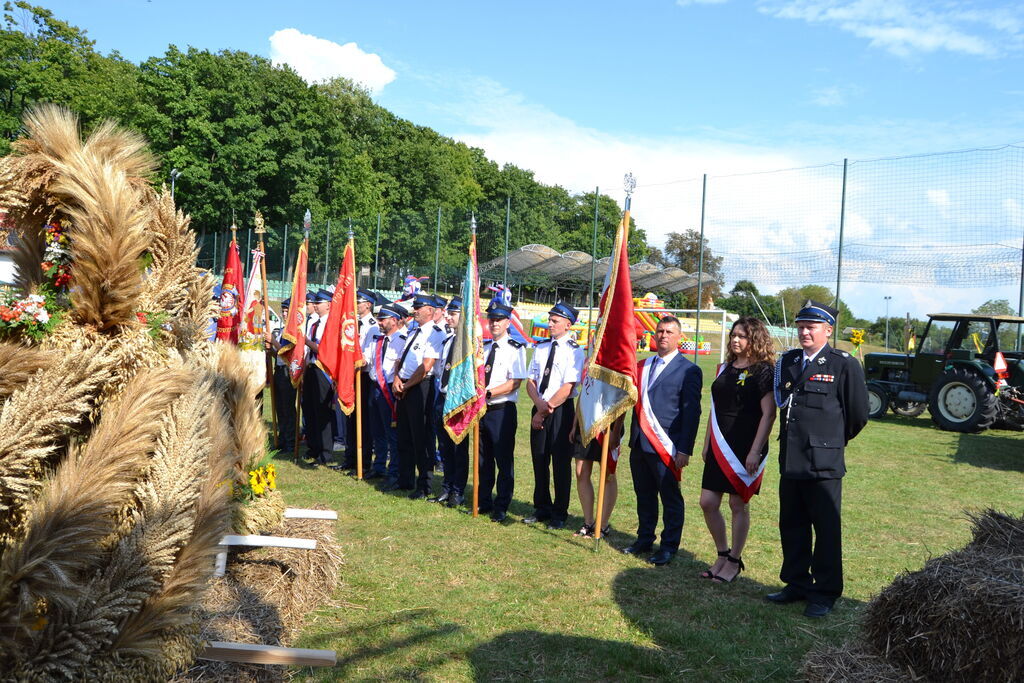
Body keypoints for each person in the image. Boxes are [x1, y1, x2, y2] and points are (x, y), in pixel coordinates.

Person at [766, 300, 868, 618]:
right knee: (792, 525)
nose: (804, 332)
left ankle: (824, 593)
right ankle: (796, 583)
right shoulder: (790, 361)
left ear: (828, 329)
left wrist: (832, 444)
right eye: (801, 327)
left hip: (823, 463)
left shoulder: (843, 364)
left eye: (811, 327)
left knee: (825, 530)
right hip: (792, 459)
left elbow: (858, 415)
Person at [698, 317, 776, 583]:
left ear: (754, 338)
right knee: (707, 502)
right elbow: (714, 408)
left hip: (746, 445)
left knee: (737, 503)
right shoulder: (724, 368)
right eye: (733, 335)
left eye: (742, 336)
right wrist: (707, 442)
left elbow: (769, 415)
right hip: (720, 443)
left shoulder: (765, 371)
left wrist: (755, 451)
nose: (735, 340)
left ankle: (734, 560)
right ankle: (722, 553)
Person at [624, 316, 703, 566]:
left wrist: (684, 449)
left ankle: (669, 546)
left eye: (669, 332)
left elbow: (692, 413)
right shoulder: (642, 366)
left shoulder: (690, 370)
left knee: (670, 498)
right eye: (659, 331)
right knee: (643, 494)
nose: (663, 336)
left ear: (680, 337)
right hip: (639, 442)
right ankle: (644, 539)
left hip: (666, 445)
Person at [525, 302, 586, 529]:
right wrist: (539, 405)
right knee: (539, 460)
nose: (549, 324)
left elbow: (569, 386)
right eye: (550, 319)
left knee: (560, 464)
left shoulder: (574, 351)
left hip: (561, 412)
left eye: (555, 320)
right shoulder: (540, 348)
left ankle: (559, 513)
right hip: (540, 407)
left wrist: (546, 408)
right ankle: (542, 507)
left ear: (568, 324)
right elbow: (531, 381)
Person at [478, 300, 527, 522]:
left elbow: (514, 382)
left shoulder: (515, 349)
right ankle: (484, 501)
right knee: (482, 459)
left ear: (508, 322)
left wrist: (488, 394)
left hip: (501, 410)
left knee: (503, 460)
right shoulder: (484, 348)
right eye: (492, 319)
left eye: (499, 319)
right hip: (482, 411)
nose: (494, 323)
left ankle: (501, 505)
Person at [393, 293, 447, 497]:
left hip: (421, 388)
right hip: (405, 386)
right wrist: (398, 378)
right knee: (404, 435)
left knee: (421, 437)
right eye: (414, 307)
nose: (414, 310)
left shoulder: (435, 333)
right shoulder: (413, 331)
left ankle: (424, 484)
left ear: (431, 311)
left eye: (419, 307)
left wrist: (406, 386)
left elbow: (426, 366)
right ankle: (404, 479)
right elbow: (402, 359)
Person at [431, 296, 470, 506]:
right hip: (442, 397)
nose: (448, 317)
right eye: (448, 313)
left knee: (458, 447)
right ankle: (446, 487)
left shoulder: (468, 345)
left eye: (453, 314)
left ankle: (457, 490)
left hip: (458, 401)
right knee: (444, 446)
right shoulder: (447, 341)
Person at [367, 302, 407, 485]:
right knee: (377, 431)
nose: (379, 322)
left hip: (390, 390)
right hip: (374, 387)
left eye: (382, 319)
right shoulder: (378, 340)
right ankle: (379, 466)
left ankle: (394, 472)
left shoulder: (402, 340)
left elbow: (401, 367)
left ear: (394, 320)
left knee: (392, 434)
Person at [342, 288, 381, 475]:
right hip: (351, 374)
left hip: (363, 375)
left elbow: (368, 354)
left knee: (363, 420)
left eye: (359, 302)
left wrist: (357, 360)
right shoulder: (352, 323)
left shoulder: (372, 325)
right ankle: (349, 457)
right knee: (350, 416)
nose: (356, 305)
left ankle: (363, 461)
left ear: (368, 304)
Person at [571, 413, 623, 538]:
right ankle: (588, 522)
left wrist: (616, 433)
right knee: (581, 472)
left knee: (608, 474)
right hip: (586, 421)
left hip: (609, 425)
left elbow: (624, 402)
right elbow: (584, 395)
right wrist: (574, 424)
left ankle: (603, 525)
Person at [301, 288, 334, 466]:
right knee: (310, 409)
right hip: (312, 368)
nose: (314, 305)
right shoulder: (314, 323)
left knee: (322, 412)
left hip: (324, 370)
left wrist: (305, 341)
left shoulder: (331, 324)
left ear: (328, 305)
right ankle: (313, 447)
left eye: (318, 303)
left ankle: (325, 452)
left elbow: (324, 350)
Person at [265, 297, 296, 453]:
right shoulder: (281, 329)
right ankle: (282, 438)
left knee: (288, 408)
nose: (284, 314)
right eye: (283, 311)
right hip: (278, 370)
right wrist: (270, 351)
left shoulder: (294, 331)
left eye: (287, 311)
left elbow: (287, 353)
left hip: (288, 372)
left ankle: (291, 441)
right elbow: (278, 354)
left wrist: (274, 342)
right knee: (279, 407)